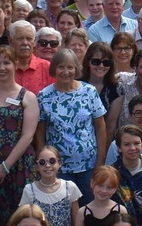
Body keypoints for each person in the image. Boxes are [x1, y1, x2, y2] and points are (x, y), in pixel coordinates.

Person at [37, 49, 109, 203]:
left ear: (76, 69)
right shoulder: (44, 96)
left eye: (70, 67)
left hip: (88, 165)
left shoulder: (89, 91)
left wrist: (100, 160)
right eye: (61, 67)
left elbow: (101, 126)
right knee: (63, 208)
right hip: (58, 167)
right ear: (54, 68)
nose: (65, 71)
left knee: (89, 207)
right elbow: (40, 132)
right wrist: (43, 161)